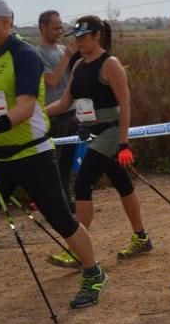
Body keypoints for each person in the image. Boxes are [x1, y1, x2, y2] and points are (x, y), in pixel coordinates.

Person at [0, 0, 107, 324]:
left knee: (62, 219)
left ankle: (94, 273)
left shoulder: (24, 55)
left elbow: (26, 107)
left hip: (33, 155)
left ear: (4, 22)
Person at [44, 15, 152, 267]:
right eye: (76, 37)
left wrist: (123, 142)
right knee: (122, 183)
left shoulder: (110, 64)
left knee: (82, 185)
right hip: (93, 132)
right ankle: (141, 237)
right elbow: (63, 103)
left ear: (96, 36)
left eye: (83, 37)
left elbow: (125, 104)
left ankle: (79, 252)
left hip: (111, 133)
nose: (78, 41)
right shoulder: (80, 65)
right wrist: (36, 113)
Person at [35, 9, 79, 209]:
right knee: (53, 161)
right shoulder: (38, 54)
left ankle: (67, 198)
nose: (59, 31)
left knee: (67, 162)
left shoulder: (63, 49)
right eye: (55, 28)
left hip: (73, 113)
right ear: (43, 27)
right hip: (53, 114)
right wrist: (67, 58)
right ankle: (55, 202)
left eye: (61, 27)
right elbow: (51, 80)